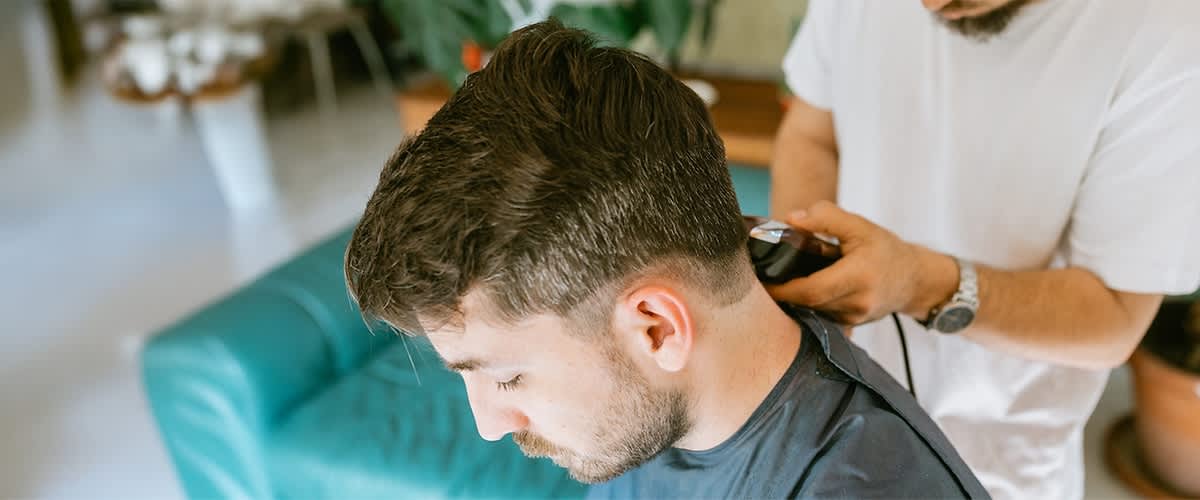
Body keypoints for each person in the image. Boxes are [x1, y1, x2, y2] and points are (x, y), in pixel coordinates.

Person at [344, 19, 989, 499]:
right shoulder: (646, 416)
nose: (488, 424)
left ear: (658, 327)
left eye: (507, 377)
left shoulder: (860, 483)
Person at [771, 0, 1200, 498]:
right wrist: (805, 271)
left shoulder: (1167, 31)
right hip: (823, 429)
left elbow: (1116, 317)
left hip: (998, 467)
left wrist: (920, 283)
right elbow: (811, 135)